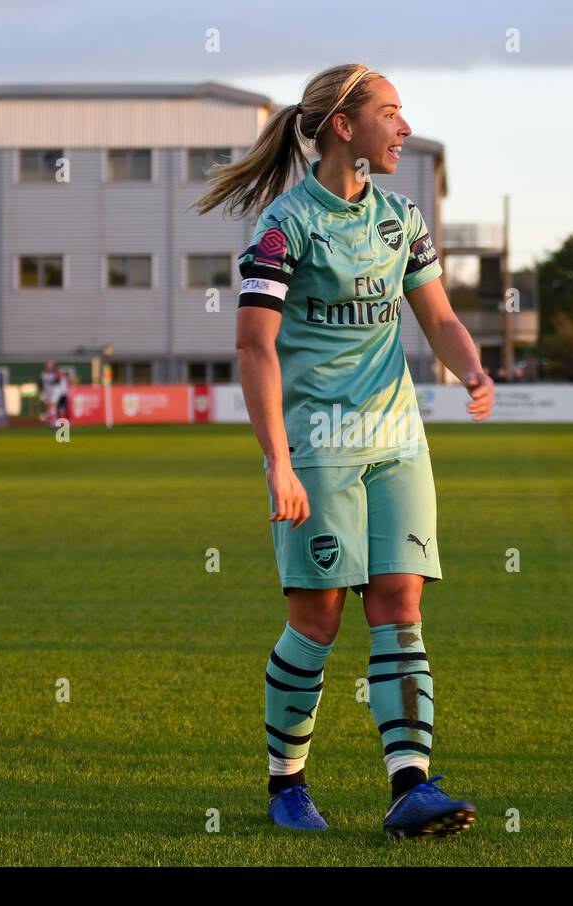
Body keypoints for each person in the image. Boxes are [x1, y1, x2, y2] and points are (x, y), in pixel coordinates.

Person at [193, 63, 494, 839]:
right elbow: (254, 348)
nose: (403, 129)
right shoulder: (284, 225)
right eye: (390, 114)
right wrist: (278, 461)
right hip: (318, 450)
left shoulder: (403, 218)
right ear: (344, 127)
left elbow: (439, 318)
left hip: (398, 445)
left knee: (400, 607)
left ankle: (410, 789)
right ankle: (286, 785)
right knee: (319, 618)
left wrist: (472, 368)